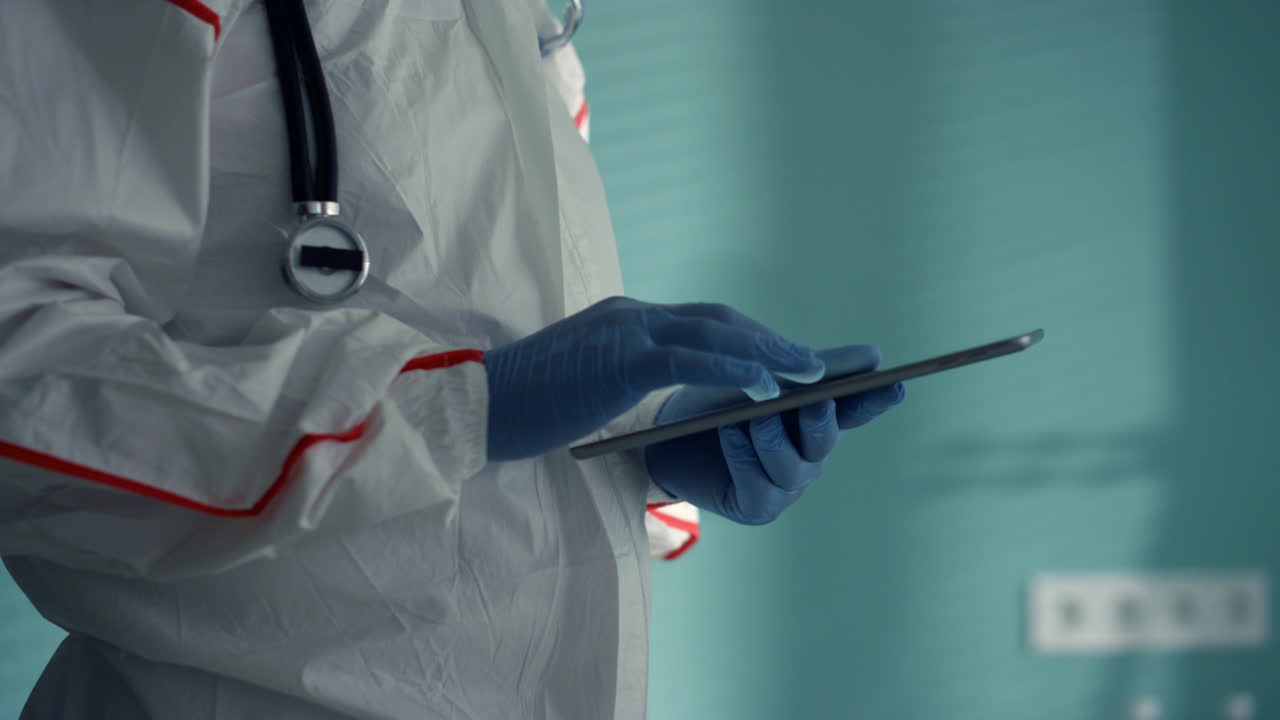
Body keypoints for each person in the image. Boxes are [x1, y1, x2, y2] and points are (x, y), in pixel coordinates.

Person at [0, 1, 903, 718]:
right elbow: (24, 380)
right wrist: (463, 407)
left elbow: (483, 333)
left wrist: (641, 448)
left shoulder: (530, 29)